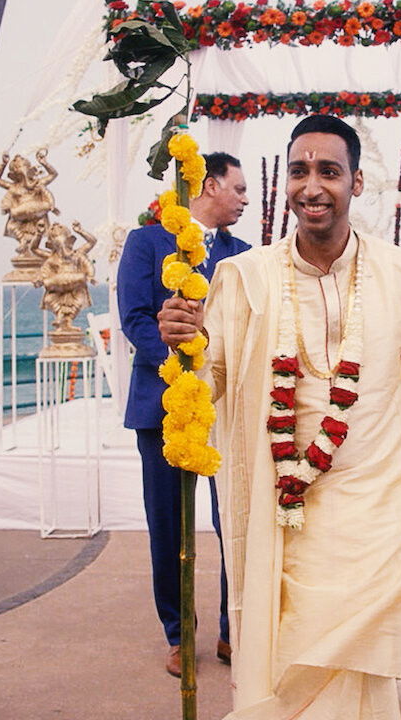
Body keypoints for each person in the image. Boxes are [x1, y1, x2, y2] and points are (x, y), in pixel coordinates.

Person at [157, 115, 401, 719]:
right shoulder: (244, 277)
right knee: (299, 669)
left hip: (385, 513)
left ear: (356, 182)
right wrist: (188, 346)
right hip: (290, 518)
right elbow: (213, 386)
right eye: (299, 171)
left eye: (329, 171)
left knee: (396, 677)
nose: (312, 187)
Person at [117, 151, 250, 675]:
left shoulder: (245, 256)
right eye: (238, 189)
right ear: (209, 185)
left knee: (234, 521)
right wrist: (182, 363)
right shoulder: (147, 242)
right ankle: (179, 634)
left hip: (227, 410)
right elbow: (134, 318)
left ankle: (233, 630)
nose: (245, 200)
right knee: (168, 527)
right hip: (164, 406)